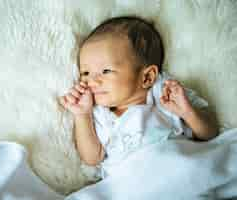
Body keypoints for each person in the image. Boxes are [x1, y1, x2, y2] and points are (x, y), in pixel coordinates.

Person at [59, 16, 218, 177]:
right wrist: (82, 115)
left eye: (106, 71)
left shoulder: (166, 95)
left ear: (147, 77)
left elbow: (211, 132)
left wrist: (188, 113)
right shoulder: (99, 113)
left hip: (179, 171)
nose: (92, 80)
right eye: (85, 73)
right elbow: (91, 158)